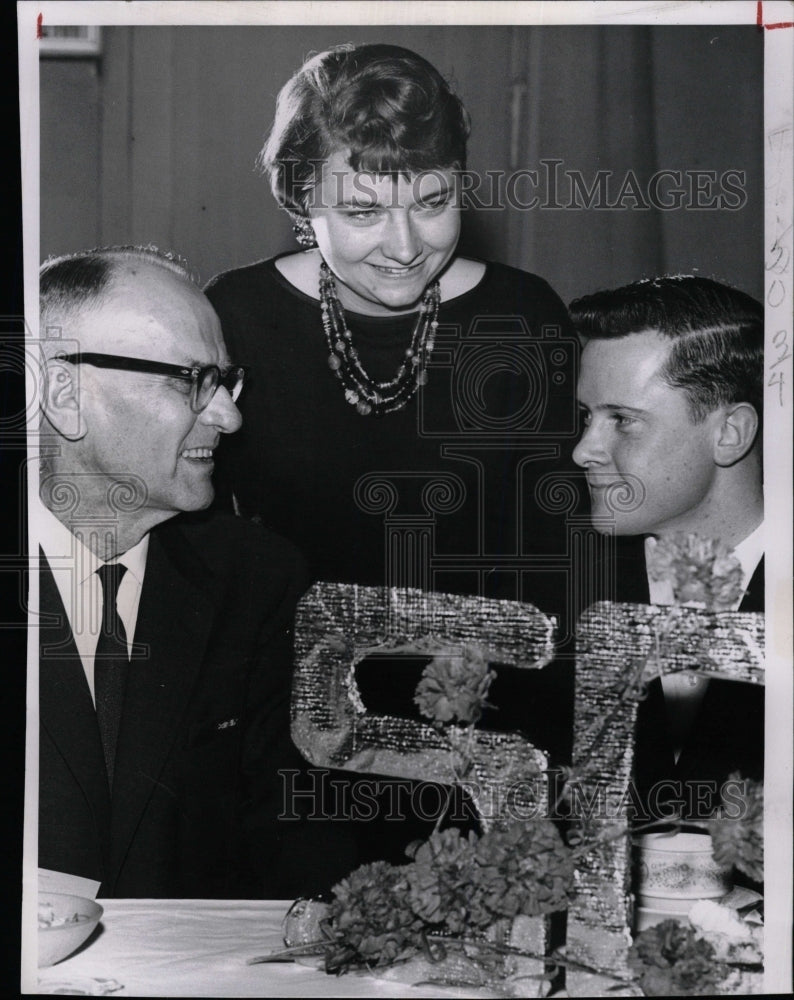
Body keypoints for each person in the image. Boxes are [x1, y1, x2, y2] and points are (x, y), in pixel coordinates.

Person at [204, 43, 581, 862]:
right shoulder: (236, 314)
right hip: (287, 743)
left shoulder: (523, 314)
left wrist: (484, 674)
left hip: (488, 728)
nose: (406, 245)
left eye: (433, 201)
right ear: (304, 199)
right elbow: (207, 551)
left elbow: (559, 557)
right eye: (365, 210)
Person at [36, 246, 355, 898]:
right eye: (191, 381)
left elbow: (300, 836)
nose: (229, 417)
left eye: (225, 382)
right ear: (63, 393)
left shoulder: (259, 581)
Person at [569, 274, 764, 822]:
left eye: (623, 421)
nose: (585, 450)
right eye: (587, 417)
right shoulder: (564, 593)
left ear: (730, 434)